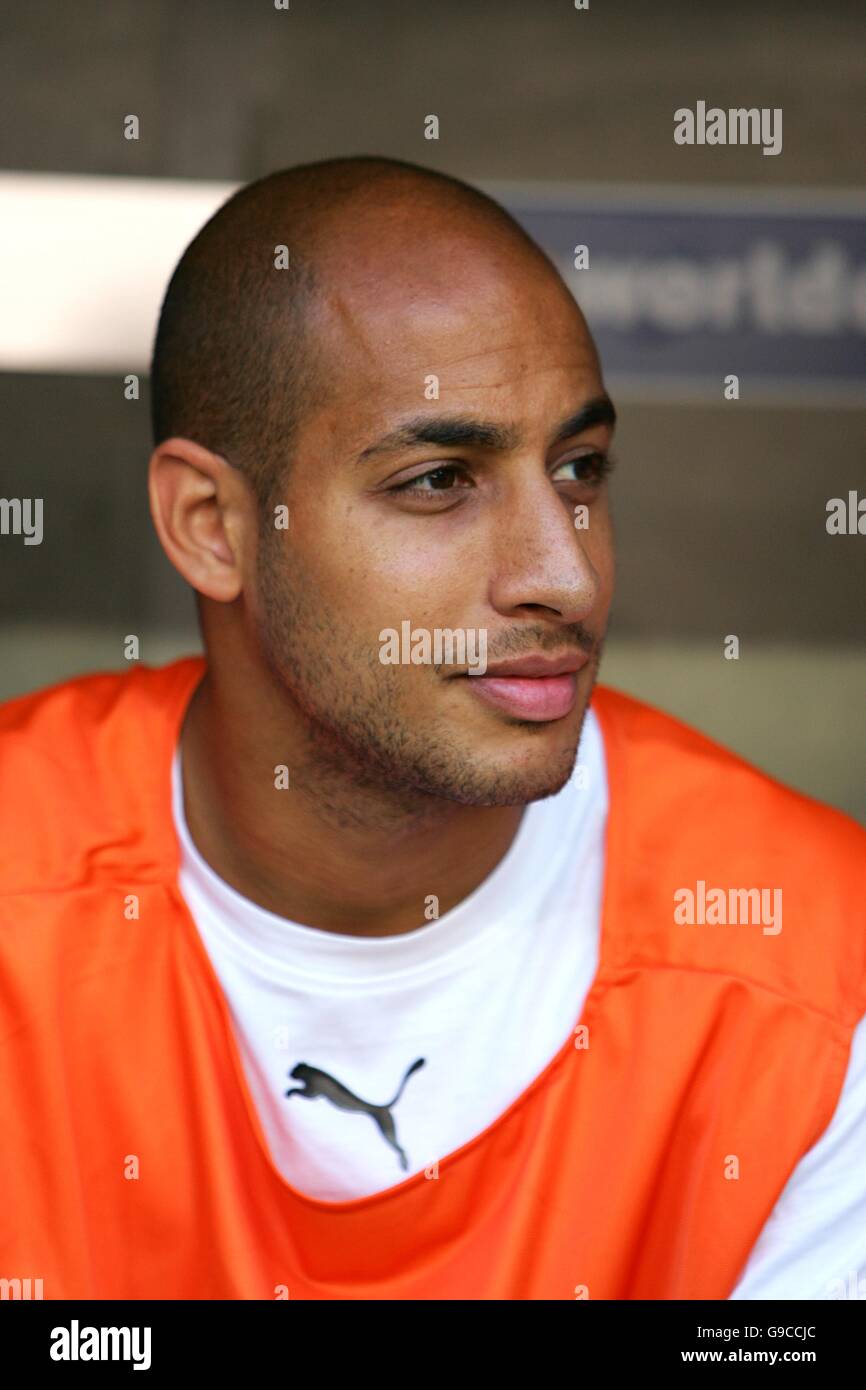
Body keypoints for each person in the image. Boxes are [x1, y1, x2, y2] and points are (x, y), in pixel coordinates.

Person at [1, 156, 864, 1301]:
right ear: (211, 526)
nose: (565, 572)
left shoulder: (814, 967)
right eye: (438, 481)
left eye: (578, 468)